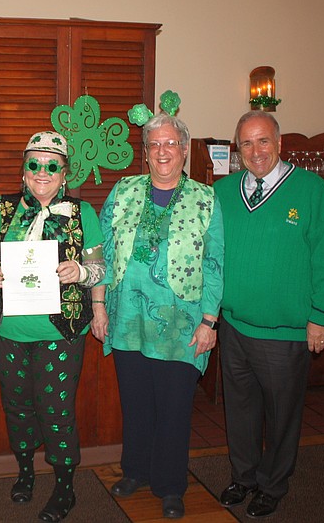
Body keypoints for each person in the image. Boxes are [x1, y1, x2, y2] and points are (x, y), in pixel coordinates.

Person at [213, 111, 324, 518]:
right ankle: (245, 477)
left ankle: (273, 484)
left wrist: (321, 315)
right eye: (247, 143)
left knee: (281, 416)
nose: (256, 151)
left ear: (280, 143)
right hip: (234, 325)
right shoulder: (222, 191)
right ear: (238, 149)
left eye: (264, 141)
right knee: (240, 411)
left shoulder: (310, 191)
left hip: (286, 333)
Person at [91, 113, 224, 519]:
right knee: (136, 404)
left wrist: (209, 321)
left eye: (171, 144)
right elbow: (99, 251)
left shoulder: (205, 198)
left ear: (184, 150)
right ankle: (136, 471)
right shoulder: (124, 190)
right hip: (127, 317)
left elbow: (215, 262)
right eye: (154, 145)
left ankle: (170, 485)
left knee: (173, 408)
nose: (163, 151)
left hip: (182, 326)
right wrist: (98, 306)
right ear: (145, 153)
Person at [0, 131, 105, 522]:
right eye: (33, 164)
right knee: (17, 407)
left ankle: (65, 487)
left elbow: (101, 269)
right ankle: (25, 472)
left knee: (56, 411)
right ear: (23, 170)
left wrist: (79, 271)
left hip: (62, 332)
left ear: (64, 172)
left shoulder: (83, 213)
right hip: (9, 330)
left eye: (52, 165)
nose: (42, 172)